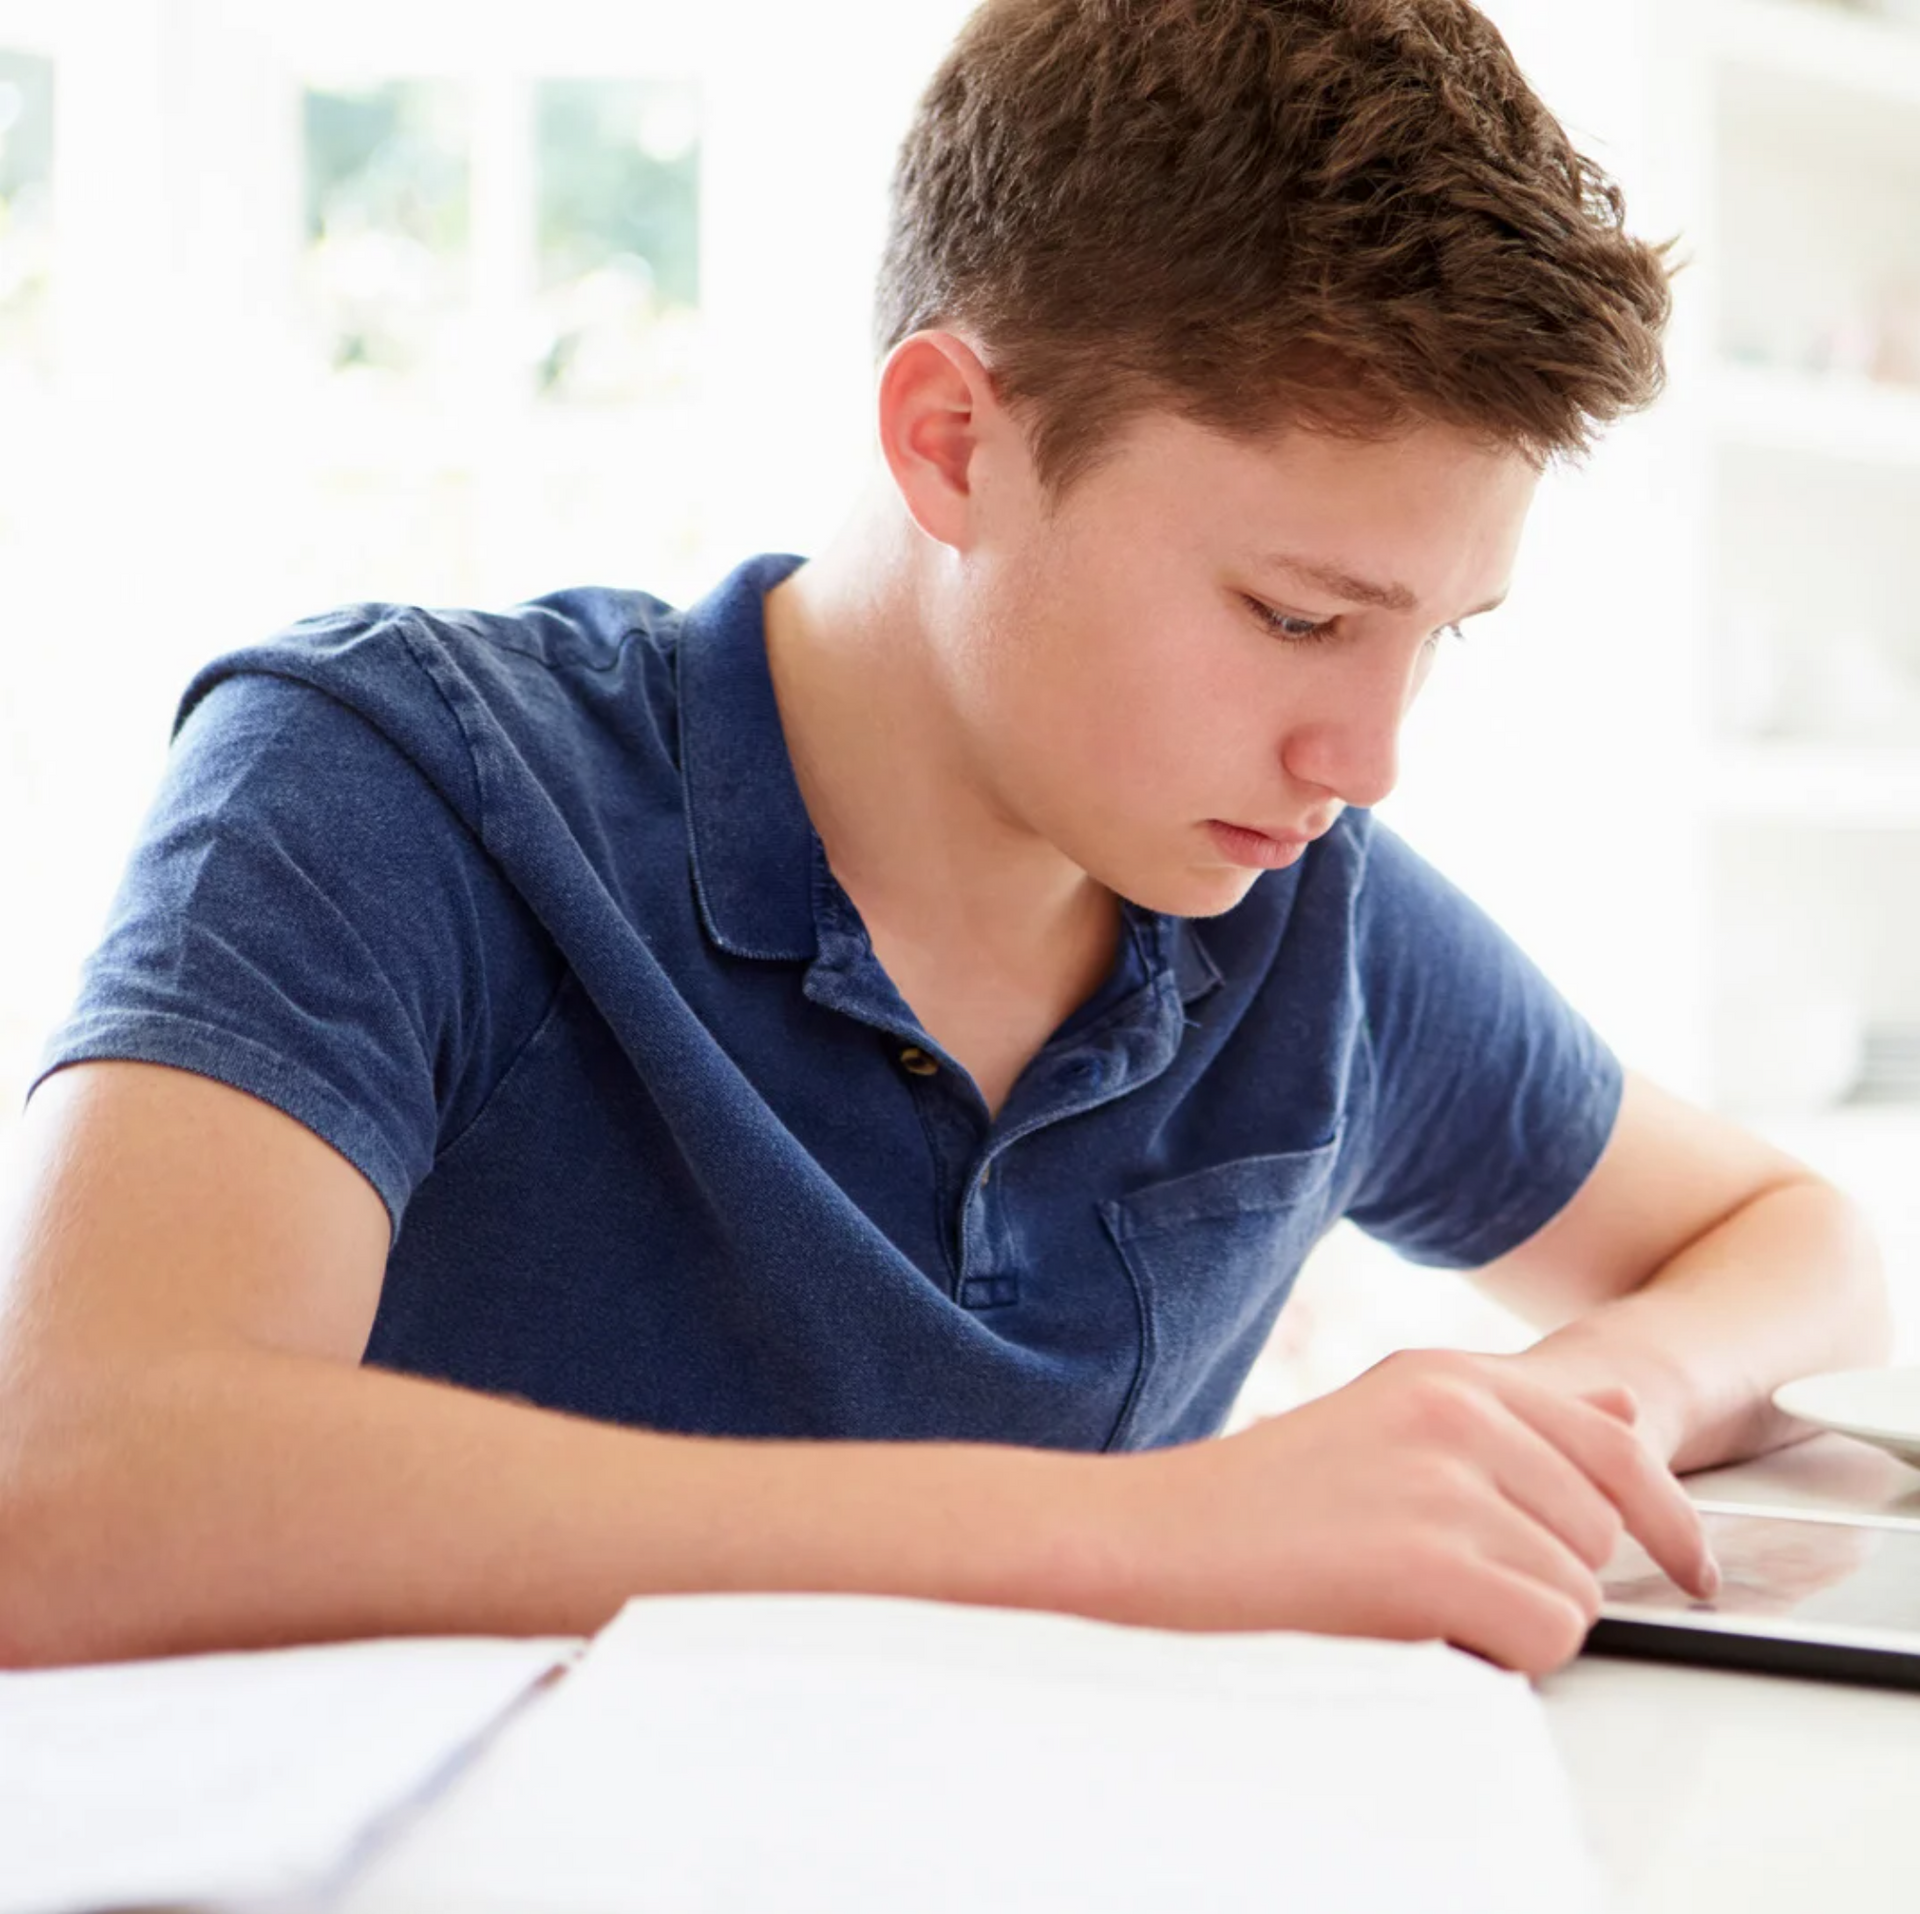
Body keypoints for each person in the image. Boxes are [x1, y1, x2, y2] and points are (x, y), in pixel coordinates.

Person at [0, 0, 1890, 1677]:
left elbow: (1788, 1238)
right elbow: (69, 1487)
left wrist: (1562, 1414)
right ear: (953, 441)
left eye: (1437, 635)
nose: (1366, 756)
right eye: (1299, 619)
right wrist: (1168, 1537)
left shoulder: (1302, 914)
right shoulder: (391, 780)